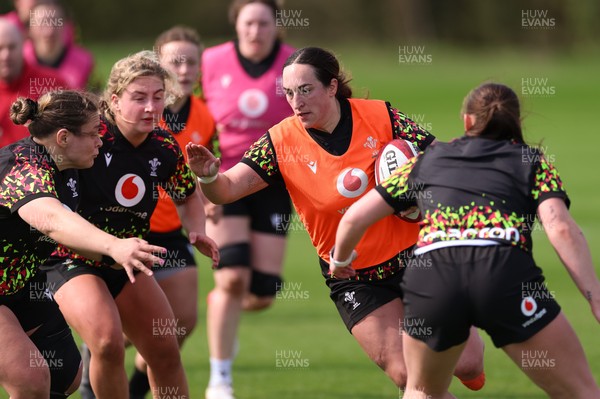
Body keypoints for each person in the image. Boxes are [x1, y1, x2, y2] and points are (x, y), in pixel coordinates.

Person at [187, 46, 485, 395]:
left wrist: (424, 189)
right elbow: (227, 189)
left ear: (331, 86)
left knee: (465, 364)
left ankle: (470, 370)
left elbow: (438, 157)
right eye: (288, 93)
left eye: (305, 90)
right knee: (411, 377)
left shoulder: (381, 117)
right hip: (354, 275)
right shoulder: (281, 142)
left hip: (420, 257)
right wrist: (208, 176)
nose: (296, 102)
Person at [332, 82, 600, 398]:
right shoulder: (530, 160)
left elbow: (354, 217)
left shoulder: (427, 161)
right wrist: (594, 295)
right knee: (580, 392)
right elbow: (561, 228)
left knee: (422, 391)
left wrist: (340, 262)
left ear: (467, 121)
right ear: (516, 122)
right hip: (502, 274)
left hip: (432, 280)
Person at [40, 50, 219, 399]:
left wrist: (196, 230)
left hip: (124, 259)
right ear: (115, 100)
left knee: (164, 349)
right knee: (107, 343)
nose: (151, 107)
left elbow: (185, 195)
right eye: (139, 98)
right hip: (69, 258)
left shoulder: (164, 145)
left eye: (158, 97)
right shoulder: (90, 137)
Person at [0, 90, 165, 398]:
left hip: (20, 283)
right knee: (31, 379)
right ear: (63, 138)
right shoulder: (24, 169)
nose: (100, 142)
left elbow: (69, 230)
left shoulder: (67, 171)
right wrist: (114, 245)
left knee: (66, 375)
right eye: (92, 134)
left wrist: (114, 257)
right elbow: (50, 218)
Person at [200, 1, 295, 397]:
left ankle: (225, 317)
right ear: (236, 25)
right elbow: (191, 114)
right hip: (225, 178)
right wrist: (202, 186)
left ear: (276, 25)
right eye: (248, 23)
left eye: (263, 22)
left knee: (261, 294)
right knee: (232, 277)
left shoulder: (295, 63)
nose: (256, 30)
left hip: (275, 182)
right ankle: (220, 377)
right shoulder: (211, 61)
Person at [121, 25, 216, 399]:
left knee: (181, 323)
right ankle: (100, 358)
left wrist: (207, 204)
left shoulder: (204, 116)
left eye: (192, 61)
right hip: (128, 231)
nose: (184, 67)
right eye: (175, 60)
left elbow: (197, 176)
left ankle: (132, 386)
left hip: (172, 230)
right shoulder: (138, 111)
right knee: (123, 331)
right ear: (156, 63)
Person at [0, 17, 67, 148]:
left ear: (23, 45)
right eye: (0, 48)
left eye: (12, 47)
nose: (5, 55)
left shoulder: (52, 83)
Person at [23, 1, 94, 90]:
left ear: (66, 26)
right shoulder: (19, 60)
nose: (49, 31)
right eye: (42, 23)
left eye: (56, 22)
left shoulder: (85, 62)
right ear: (29, 28)